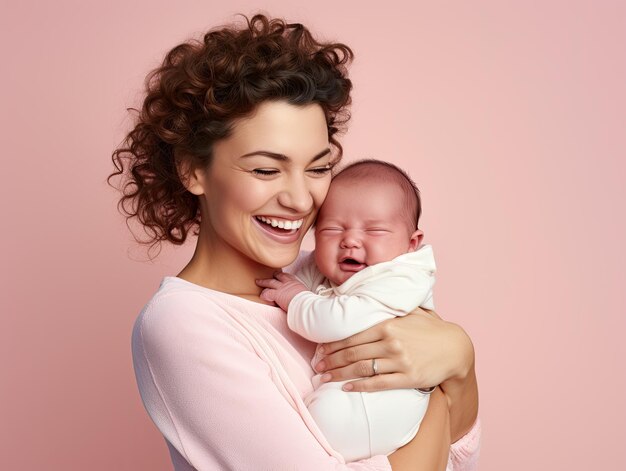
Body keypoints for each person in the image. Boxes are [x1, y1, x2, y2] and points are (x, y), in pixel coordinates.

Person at [109, 14, 480, 471]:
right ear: (193, 170)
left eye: (319, 167)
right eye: (266, 169)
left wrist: (462, 369)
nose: (301, 198)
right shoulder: (183, 323)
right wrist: (440, 397)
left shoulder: (335, 277)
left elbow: (461, 461)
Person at [256, 159, 438, 462]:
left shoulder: (403, 277)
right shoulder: (330, 269)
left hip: (379, 407)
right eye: (332, 229)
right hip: (353, 399)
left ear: (411, 243)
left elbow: (333, 320)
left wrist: (296, 298)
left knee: (321, 423)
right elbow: (300, 275)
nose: (350, 240)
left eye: (375, 230)